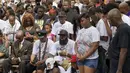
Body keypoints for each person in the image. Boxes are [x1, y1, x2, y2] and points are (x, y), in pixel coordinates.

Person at [108, 8, 130, 73]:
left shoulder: (124, 29)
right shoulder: (120, 28)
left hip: (120, 65)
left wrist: (119, 69)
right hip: (115, 63)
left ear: (114, 19)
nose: (108, 21)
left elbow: (123, 51)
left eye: (109, 19)